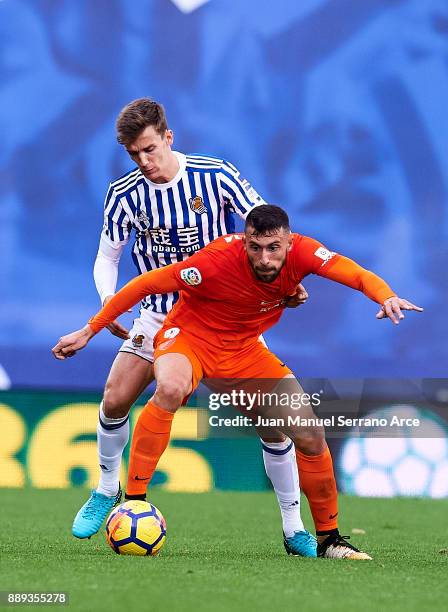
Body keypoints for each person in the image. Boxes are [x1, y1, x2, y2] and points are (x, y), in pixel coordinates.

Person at [52, 205, 423, 558]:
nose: (264, 258)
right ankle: (134, 499)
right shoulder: (214, 260)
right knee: (170, 387)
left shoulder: (306, 252)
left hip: (243, 351)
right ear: (244, 241)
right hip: (189, 339)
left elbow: (354, 273)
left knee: (308, 434)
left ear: (289, 242)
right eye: (256, 247)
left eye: (273, 248)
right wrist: (89, 330)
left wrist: (385, 295)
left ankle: (324, 538)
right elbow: (145, 284)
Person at [70, 97, 312, 556]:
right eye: (134, 154)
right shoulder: (124, 194)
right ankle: (106, 490)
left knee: (272, 426)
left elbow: (269, 229)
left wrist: (287, 279)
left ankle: (293, 525)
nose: (145, 162)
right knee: (115, 396)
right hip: (160, 315)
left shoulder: (215, 175)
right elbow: (108, 256)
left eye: (150, 149)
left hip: (225, 321)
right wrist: (108, 304)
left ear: (168, 137)